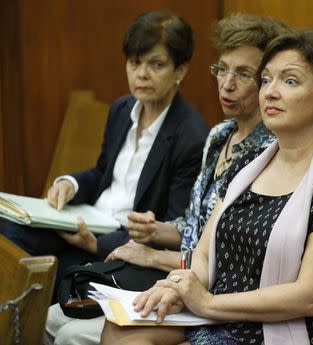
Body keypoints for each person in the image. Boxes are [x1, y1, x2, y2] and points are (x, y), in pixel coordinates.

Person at [100, 28, 313, 345]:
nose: (270, 92)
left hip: (281, 331)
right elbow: (204, 255)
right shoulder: (250, 163)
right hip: (226, 316)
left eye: (289, 81)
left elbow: (310, 297)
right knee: (121, 328)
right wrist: (177, 284)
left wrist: (206, 302)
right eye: (266, 80)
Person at [43, 14, 290, 345]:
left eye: (243, 73)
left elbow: (227, 254)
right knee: (51, 316)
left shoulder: (269, 152)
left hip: (211, 293)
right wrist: (154, 230)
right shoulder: (219, 136)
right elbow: (194, 225)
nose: (227, 84)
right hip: (181, 276)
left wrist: (154, 255)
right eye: (222, 69)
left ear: (266, 81)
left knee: (70, 331)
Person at [0, 10, 209, 285]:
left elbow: (175, 226)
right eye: (134, 63)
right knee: (7, 230)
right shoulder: (122, 109)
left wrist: (95, 245)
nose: (142, 74)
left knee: (60, 275)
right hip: (85, 219)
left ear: (180, 70)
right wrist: (70, 184)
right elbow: (103, 173)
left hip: (123, 243)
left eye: (156, 65)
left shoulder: (192, 135)